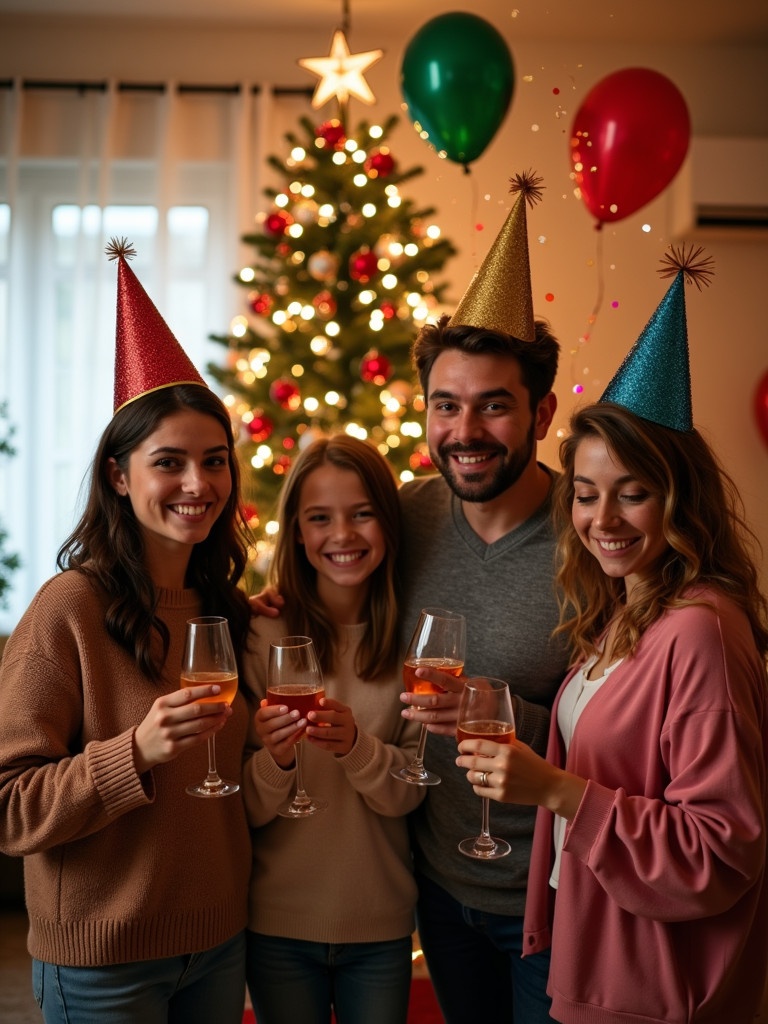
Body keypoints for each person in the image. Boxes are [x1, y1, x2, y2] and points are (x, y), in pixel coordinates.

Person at [251, 174, 571, 1022]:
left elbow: (626, 721)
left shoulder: (592, 539)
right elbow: (334, 559)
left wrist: (500, 710)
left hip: (554, 890)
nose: (464, 431)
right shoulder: (409, 519)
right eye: (445, 405)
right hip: (435, 884)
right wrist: (270, 599)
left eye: (493, 407)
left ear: (540, 411)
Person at [457, 247, 768, 1023]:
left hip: (656, 984)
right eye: (589, 494)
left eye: (634, 494)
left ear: (678, 498)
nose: (603, 520)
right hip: (594, 954)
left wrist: (555, 790)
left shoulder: (699, 633)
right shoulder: (624, 616)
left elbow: (721, 848)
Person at [0, 240, 254, 1024]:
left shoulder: (228, 609)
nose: (197, 485)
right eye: (168, 462)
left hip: (219, 943)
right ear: (119, 473)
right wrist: (132, 753)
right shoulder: (68, 609)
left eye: (214, 462)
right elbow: (9, 807)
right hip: (103, 961)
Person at [240, 433, 425, 1024]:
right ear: (297, 531)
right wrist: (278, 759)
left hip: (380, 923)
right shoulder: (258, 635)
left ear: (388, 525)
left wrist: (358, 748)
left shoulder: (416, 648)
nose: (342, 535)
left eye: (362, 514)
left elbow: (411, 790)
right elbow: (240, 805)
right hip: (276, 922)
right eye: (320, 518)